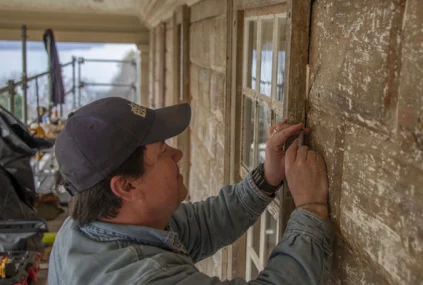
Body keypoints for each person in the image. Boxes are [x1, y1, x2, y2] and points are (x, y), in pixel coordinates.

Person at [48, 97, 332, 285]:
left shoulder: (86, 225)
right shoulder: (140, 278)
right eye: (162, 152)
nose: (178, 153)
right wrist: (310, 209)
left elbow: (203, 225)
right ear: (127, 185)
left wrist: (267, 179)